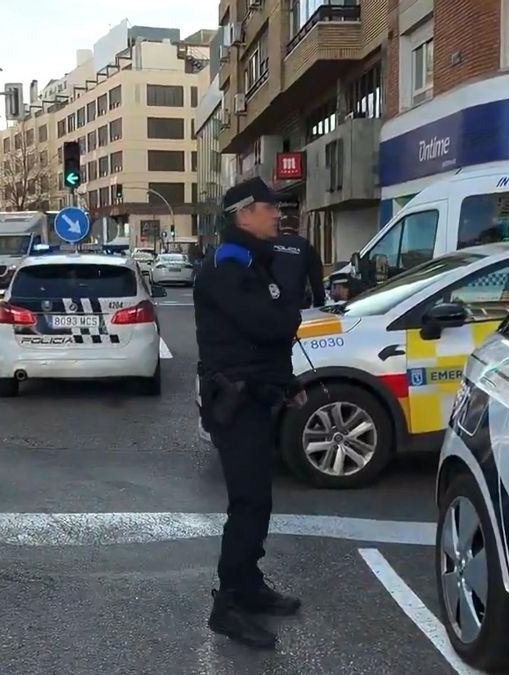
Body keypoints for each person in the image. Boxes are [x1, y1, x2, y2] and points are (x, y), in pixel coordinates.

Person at [194, 177, 306, 649]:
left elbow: (272, 335)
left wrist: (287, 382)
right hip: (234, 401)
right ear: (243, 213)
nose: (277, 215)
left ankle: (250, 584)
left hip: (256, 395)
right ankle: (229, 604)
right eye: (268, 207)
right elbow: (270, 324)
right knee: (247, 503)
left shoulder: (255, 261)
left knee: (259, 498)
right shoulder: (228, 265)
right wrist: (286, 297)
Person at [270, 218, 327, 310]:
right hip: (296, 301)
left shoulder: (270, 243)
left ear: (280, 226)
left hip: (271, 299)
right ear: (298, 228)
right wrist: (319, 303)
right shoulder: (305, 246)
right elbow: (316, 277)